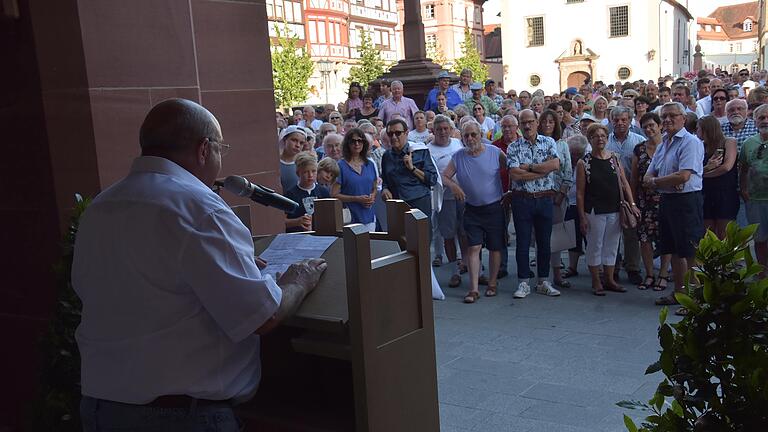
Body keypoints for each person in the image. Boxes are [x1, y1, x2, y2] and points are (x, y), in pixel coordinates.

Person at [73, 99, 327, 430]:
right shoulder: (201, 208)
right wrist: (299, 279)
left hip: (102, 408)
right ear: (204, 149)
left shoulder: (102, 206)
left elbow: (149, 281)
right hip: (178, 416)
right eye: (221, 149)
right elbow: (264, 316)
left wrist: (228, 264)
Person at [644, 102, 705, 316]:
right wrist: (663, 181)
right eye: (664, 116)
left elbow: (683, 176)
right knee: (674, 249)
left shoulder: (690, 142)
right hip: (668, 199)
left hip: (687, 200)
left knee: (691, 251)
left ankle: (696, 299)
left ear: (683, 118)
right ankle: (679, 292)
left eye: (672, 116)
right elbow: (648, 175)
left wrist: (658, 182)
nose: (668, 120)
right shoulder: (664, 144)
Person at [441, 121, 507, 303]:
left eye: (473, 135)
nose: (470, 139)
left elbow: (510, 169)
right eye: (466, 136)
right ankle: (473, 289)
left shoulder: (494, 152)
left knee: (495, 247)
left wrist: (510, 192)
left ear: (481, 134)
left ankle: (492, 283)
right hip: (472, 209)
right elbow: (444, 176)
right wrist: (454, 186)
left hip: (494, 207)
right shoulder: (458, 156)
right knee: (473, 247)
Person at [577, 123, 639, 295]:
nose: (600, 139)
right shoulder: (584, 163)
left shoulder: (614, 158)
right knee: (595, 246)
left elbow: (624, 183)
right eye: (596, 136)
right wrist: (582, 216)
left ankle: (610, 279)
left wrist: (632, 204)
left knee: (612, 246)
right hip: (595, 211)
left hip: (615, 208)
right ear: (590, 139)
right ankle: (596, 281)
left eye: (603, 136)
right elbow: (580, 193)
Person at [507, 109, 562, 298]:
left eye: (530, 122)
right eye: (523, 123)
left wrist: (529, 168)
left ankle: (543, 281)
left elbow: (555, 165)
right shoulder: (513, 147)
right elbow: (514, 173)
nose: (527, 126)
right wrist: (542, 171)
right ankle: (523, 282)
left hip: (545, 198)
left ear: (537, 123)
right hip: (522, 199)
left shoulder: (549, 142)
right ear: (519, 126)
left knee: (544, 242)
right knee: (522, 243)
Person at [631, 113, 671, 291]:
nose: (648, 129)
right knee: (645, 239)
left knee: (666, 238)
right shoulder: (639, 149)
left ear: (659, 125)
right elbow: (633, 178)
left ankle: (663, 274)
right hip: (644, 201)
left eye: (651, 125)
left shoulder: (669, 145)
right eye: (645, 126)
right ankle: (649, 274)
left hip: (666, 199)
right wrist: (633, 203)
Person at [607, 106, 646, 284]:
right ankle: (612, 268)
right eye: (616, 120)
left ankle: (633, 268)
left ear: (630, 120)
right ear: (611, 121)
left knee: (631, 232)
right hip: (610, 193)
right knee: (612, 233)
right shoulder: (605, 141)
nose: (620, 123)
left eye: (623, 119)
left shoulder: (639, 141)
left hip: (632, 192)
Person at [429, 115, 467, 287]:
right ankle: (454, 272)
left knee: (466, 233)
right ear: (433, 131)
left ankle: (471, 266)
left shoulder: (458, 144)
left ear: (451, 130)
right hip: (445, 199)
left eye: (446, 129)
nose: (443, 132)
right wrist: (452, 186)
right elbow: (435, 176)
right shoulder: (428, 150)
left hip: (466, 196)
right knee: (449, 235)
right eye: (439, 129)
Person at [538, 109, 573, 289]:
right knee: (541, 236)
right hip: (540, 194)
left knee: (557, 236)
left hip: (558, 195)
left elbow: (568, 171)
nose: (548, 125)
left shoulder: (562, 145)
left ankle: (557, 274)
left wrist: (561, 193)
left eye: (551, 121)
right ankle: (542, 275)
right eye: (544, 121)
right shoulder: (535, 143)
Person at [380, 119, 438, 220]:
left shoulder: (420, 151)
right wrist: (384, 189)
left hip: (419, 203)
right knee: (400, 236)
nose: (394, 137)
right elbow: (385, 179)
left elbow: (432, 179)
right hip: (397, 204)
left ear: (406, 133)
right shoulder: (386, 156)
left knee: (422, 235)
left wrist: (412, 168)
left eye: (398, 133)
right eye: (390, 134)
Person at [699, 115, 739, 239]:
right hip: (706, 193)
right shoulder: (700, 146)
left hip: (725, 193)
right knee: (708, 235)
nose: (697, 132)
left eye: (698, 128)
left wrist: (703, 175)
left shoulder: (728, 142)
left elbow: (727, 167)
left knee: (725, 234)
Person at [739, 103, 768, 276]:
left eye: (767, 117)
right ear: (755, 121)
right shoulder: (749, 143)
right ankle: (762, 273)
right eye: (761, 118)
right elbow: (743, 168)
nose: (765, 120)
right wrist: (743, 189)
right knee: (760, 239)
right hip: (755, 200)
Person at [332, 128, 378, 231]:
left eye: (360, 140)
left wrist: (372, 197)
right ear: (347, 144)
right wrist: (357, 199)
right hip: (349, 218)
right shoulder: (340, 166)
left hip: (369, 216)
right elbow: (334, 194)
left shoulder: (370, 164)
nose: (357, 144)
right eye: (353, 141)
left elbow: (374, 187)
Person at [563, 134, 589, 279]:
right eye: (572, 153)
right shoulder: (565, 161)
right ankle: (572, 267)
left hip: (586, 205)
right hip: (569, 204)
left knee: (589, 238)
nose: (574, 157)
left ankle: (597, 268)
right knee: (571, 238)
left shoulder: (587, 162)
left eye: (577, 154)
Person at [284, 152, 331, 232]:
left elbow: (331, 216)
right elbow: (282, 221)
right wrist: (297, 222)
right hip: (297, 238)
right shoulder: (291, 194)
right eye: (306, 172)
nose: (310, 175)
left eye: (313, 171)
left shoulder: (323, 192)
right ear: (298, 173)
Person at [279, 125, 307, 193]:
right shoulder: (274, 163)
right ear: (285, 140)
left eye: (301, 143)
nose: (298, 145)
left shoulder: (304, 164)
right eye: (294, 140)